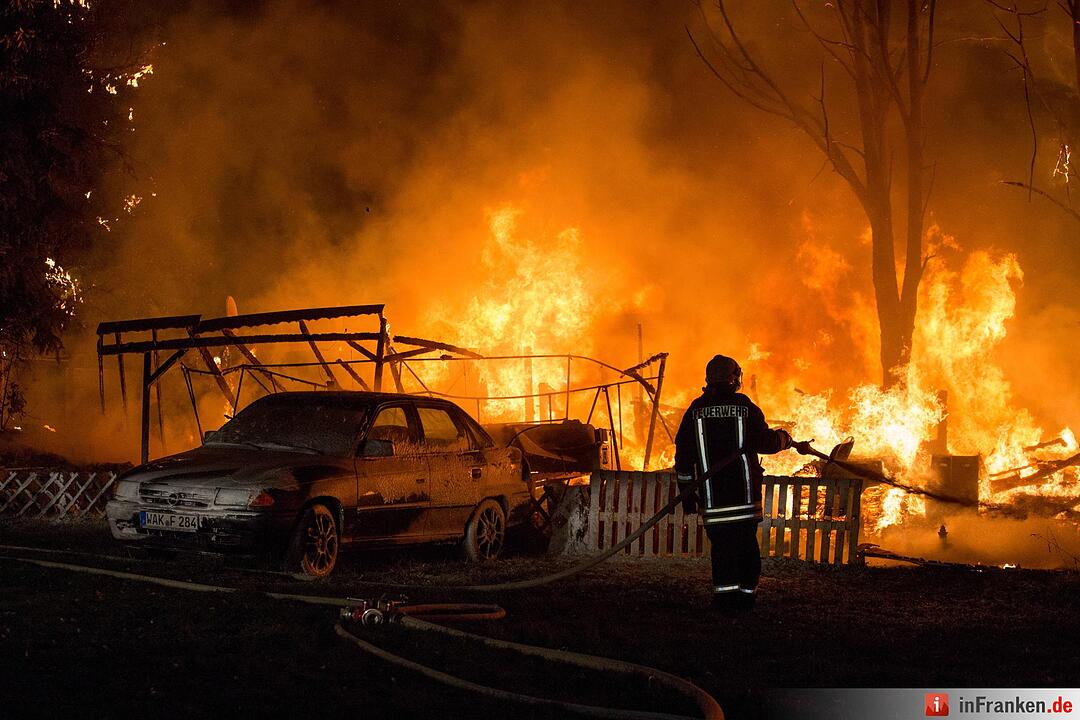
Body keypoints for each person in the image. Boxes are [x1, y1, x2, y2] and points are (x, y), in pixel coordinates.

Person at [674, 354, 796, 613]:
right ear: (735, 378)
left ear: (709, 379)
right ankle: (746, 599)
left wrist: (687, 492)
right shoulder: (744, 406)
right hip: (744, 499)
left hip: (714, 501)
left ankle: (724, 600)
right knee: (747, 549)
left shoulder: (695, 410)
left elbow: (683, 456)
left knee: (722, 551)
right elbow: (765, 442)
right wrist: (784, 439)